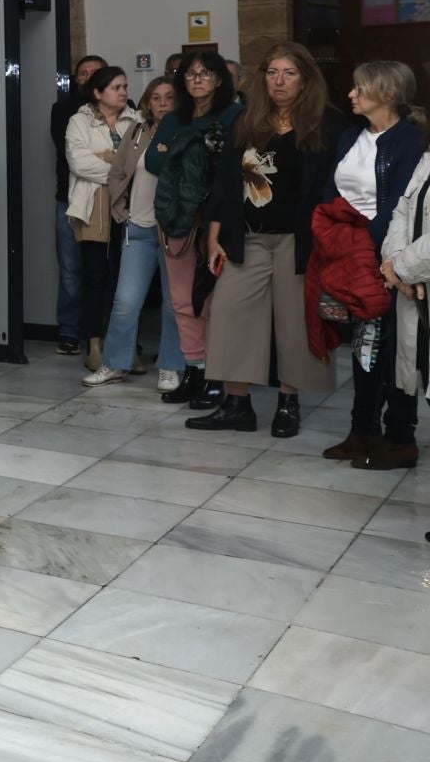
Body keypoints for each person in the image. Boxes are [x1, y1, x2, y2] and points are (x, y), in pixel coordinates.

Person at [189, 44, 346, 437]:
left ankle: (288, 403)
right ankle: (237, 404)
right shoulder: (248, 120)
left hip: (300, 241)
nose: (278, 81)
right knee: (230, 314)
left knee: (294, 324)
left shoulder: (328, 124)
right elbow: (225, 185)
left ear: (306, 79)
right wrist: (213, 237)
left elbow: (338, 188)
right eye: (272, 72)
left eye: (289, 73)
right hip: (249, 237)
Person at [322, 61, 423, 468]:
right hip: (349, 254)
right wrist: (335, 236)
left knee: (398, 351)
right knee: (365, 349)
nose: (350, 94)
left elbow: (399, 203)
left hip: (390, 261)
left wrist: (367, 248)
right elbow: (331, 190)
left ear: (385, 91)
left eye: (358, 88)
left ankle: (400, 435)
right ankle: (361, 430)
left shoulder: (411, 139)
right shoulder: (350, 136)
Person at [153, 50, 243, 404]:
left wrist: (182, 155)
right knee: (181, 300)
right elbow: (155, 159)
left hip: (220, 221)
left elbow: (233, 169)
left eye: (205, 73)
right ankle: (194, 369)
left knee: (215, 302)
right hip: (179, 218)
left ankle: (219, 376)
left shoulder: (236, 116)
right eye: (191, 74)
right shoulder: (176, 118)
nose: (197, 79)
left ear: (220, 79)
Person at [96, 78, 183, 387]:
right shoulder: (137, 132)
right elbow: (118, 171)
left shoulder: (184, 132)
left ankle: (171, 366)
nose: (162, 103)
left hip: (173, 232)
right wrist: (123, 209)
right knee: (126, 301)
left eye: (169, 97)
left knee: (173, 305)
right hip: (139, 228)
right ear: (147, 102)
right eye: (156, 97)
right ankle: (114, 364)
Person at [66, 63, 139, 372]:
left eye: (125, 87)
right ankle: (94, 344)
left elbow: (141, 162)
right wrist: (119, 166)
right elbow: (79, 163)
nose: (123, 92)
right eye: (116, 88)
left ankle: (124, 346)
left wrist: (110, 160)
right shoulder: (78, 121)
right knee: (95, 276)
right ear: (98, 93)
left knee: (125, 279)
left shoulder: (136, 120)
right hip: (91, 206)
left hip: (130, 206)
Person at [379, 124, 430, 471]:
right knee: (417, 370)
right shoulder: (426, 158)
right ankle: (399, 440)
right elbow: (402, 210)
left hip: (417, 278)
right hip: (416, 288)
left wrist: (404, 270)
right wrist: (395, 265)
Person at [50, 54, 106, 354]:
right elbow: (74, 157)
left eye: (94, 72)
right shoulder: (63, 110)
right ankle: (70, 330)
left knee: (105, 270)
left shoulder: (127, 109)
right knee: (71, 269)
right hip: (69, 200)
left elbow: (128, 156)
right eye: (82, 74)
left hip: (111, 201)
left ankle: (104, 333)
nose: (87, 78)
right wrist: (110, 161)